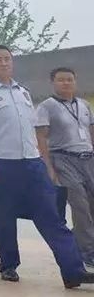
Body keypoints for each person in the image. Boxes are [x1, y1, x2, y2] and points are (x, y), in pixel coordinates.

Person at [0, 46, 93, 288]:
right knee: (4, 217)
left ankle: (73, 270)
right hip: (2, 163)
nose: (4, 63)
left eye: (8, 59)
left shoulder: (22, 92)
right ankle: (9, 265)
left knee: (52, 216)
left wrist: (43, 162)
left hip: (31, 162)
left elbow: (32, 129)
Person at [35, 67, 94, 273]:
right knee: (80, 204)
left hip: (88, 158)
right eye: (61, 80)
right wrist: (48, 166)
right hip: (63, 157)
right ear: (53, 82)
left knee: (91, 204)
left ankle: (80, 243)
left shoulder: (84, 105)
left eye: (70, 79)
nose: (66, 83)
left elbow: (90, 131)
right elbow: (41, 137)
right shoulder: (47, 106)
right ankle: (87, 252)